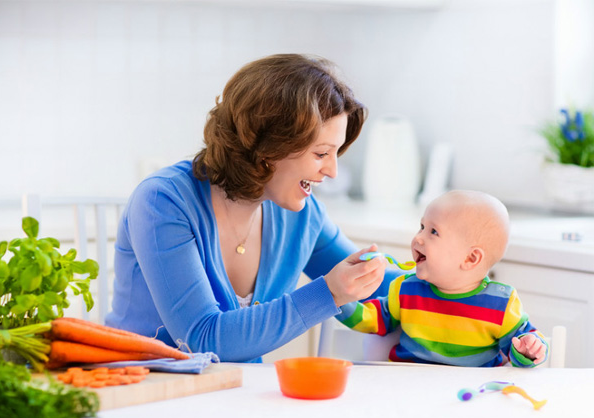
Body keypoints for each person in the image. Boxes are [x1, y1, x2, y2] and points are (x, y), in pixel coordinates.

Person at [106, 54, 398, 363]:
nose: (332, 171)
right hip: (143, 390)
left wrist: (441, 274)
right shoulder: (163, 202)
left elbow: (375, 286)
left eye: (335, 153)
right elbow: (204, 340)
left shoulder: (302, 215)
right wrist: (328, 293)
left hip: (235, 394)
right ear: (270, 147)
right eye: (321, 153)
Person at [336, 190, 548, 367]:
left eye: (434, 232)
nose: (418, 238)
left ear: (470, 258)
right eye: (421, 227)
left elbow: (519, 349)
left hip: (467, 397)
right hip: (406, 388)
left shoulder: (501, 303)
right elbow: (373, 320)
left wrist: (529, 349)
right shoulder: (406, 289)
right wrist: (337, 298)